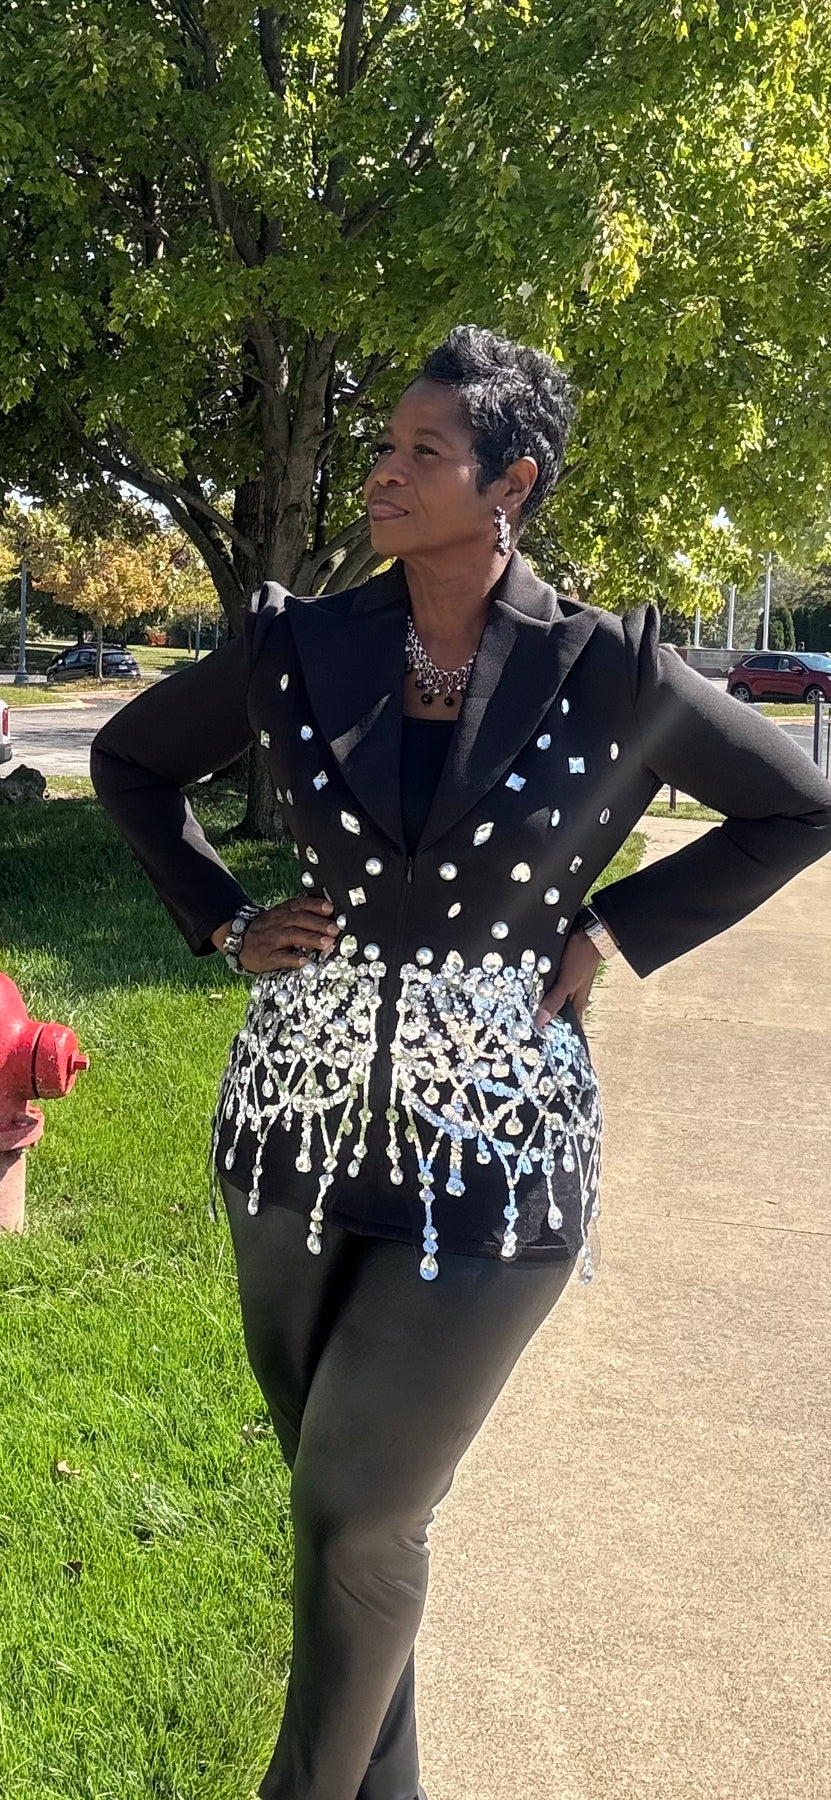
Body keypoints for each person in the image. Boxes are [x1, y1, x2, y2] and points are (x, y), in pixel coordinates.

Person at [89, 324, 831, 1800]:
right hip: (294, 1136)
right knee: (347, 1515)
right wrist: (225, 922)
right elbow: (131, 762)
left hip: (498, 1146)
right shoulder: (302, 644)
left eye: (422, 452)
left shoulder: (608, 667)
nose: (383, 471)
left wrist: (612, 931)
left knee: (361, 1514)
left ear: (513, 482)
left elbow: (798, 806)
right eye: (383, 446)